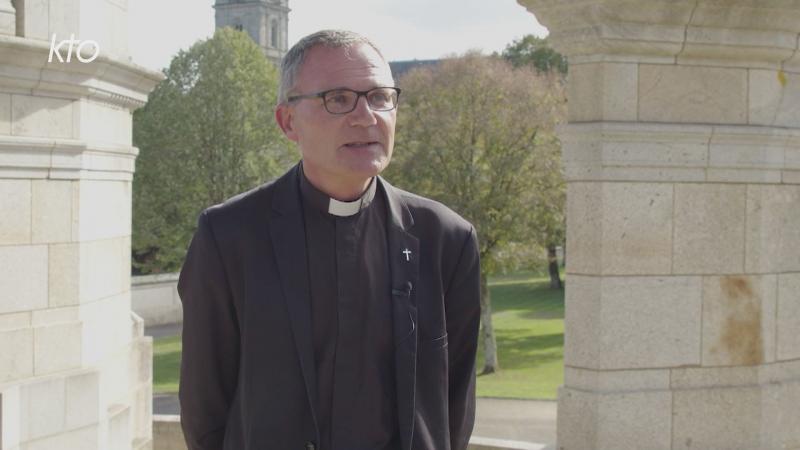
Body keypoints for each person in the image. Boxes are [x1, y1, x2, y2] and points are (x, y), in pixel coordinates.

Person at [178, 29, 481, 450]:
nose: (366, 116)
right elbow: (204, 409)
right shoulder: (228, 236)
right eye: (338, 99)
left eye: (379, 97)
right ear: (288, 122)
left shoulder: (447, 239)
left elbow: (455, 407)